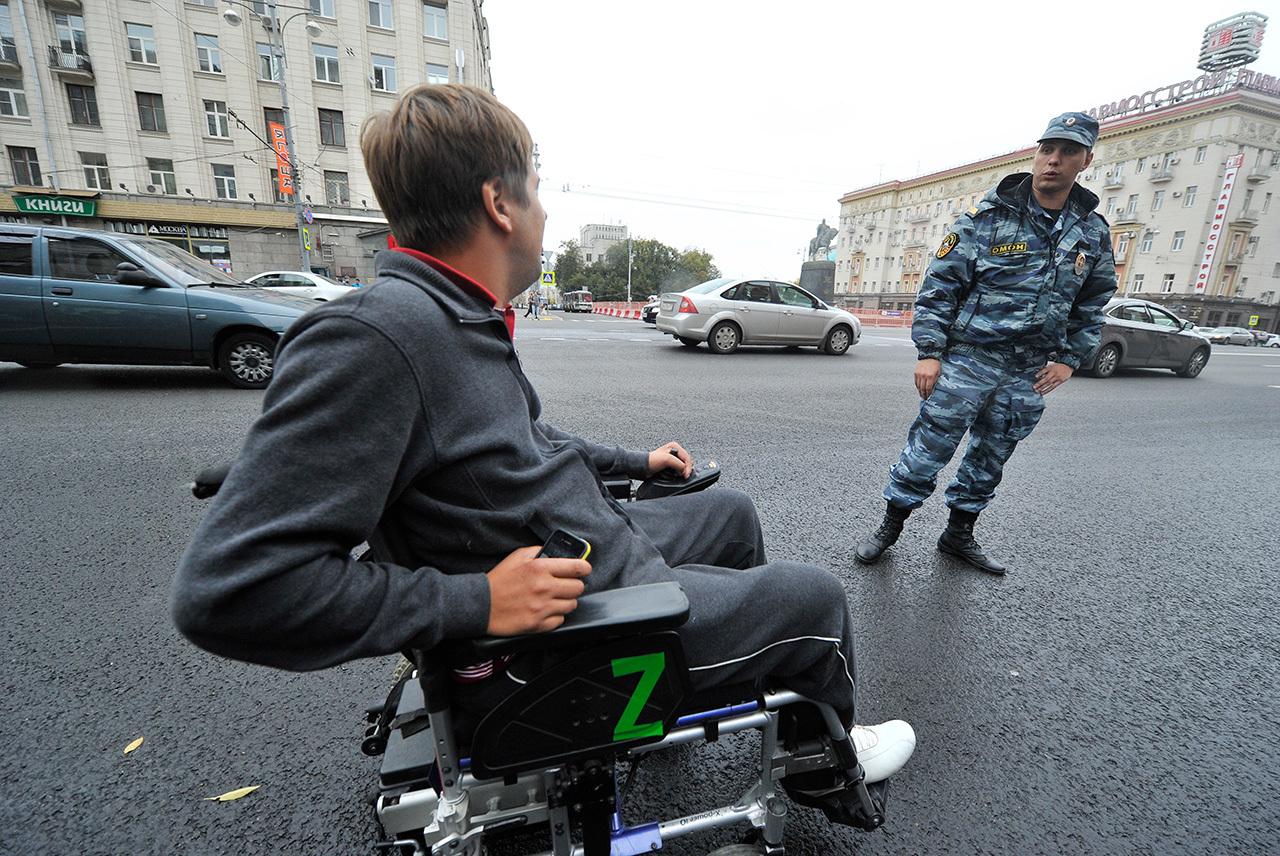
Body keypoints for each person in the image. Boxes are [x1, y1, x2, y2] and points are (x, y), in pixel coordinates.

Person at [171, 85, 914, 784]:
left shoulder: (453, 316)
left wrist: (635, 461)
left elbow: (520, 442)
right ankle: (825, 767)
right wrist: (477, 602)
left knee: (731, 513)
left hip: (582, 546)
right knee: (816, 601)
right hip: (566, 633)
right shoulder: (381, 339)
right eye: (536, 187)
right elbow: (233, 591)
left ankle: (710, 695)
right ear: (499, 204)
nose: (546, 212)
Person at [854, 112, 1117, 575]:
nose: (1054, 160)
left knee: (991, 457)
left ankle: (958, 536)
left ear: (1086, 161)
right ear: (1036, 153)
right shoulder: (986, 218)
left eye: (1068, 152)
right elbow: (940, 287)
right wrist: (930, 352)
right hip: (969, 358)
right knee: (928, 448)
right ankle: (889, 528)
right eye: (1047, 149)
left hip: (1028, 370)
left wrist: (1069, 360)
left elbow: (1093, 301)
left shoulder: (1091, 231)